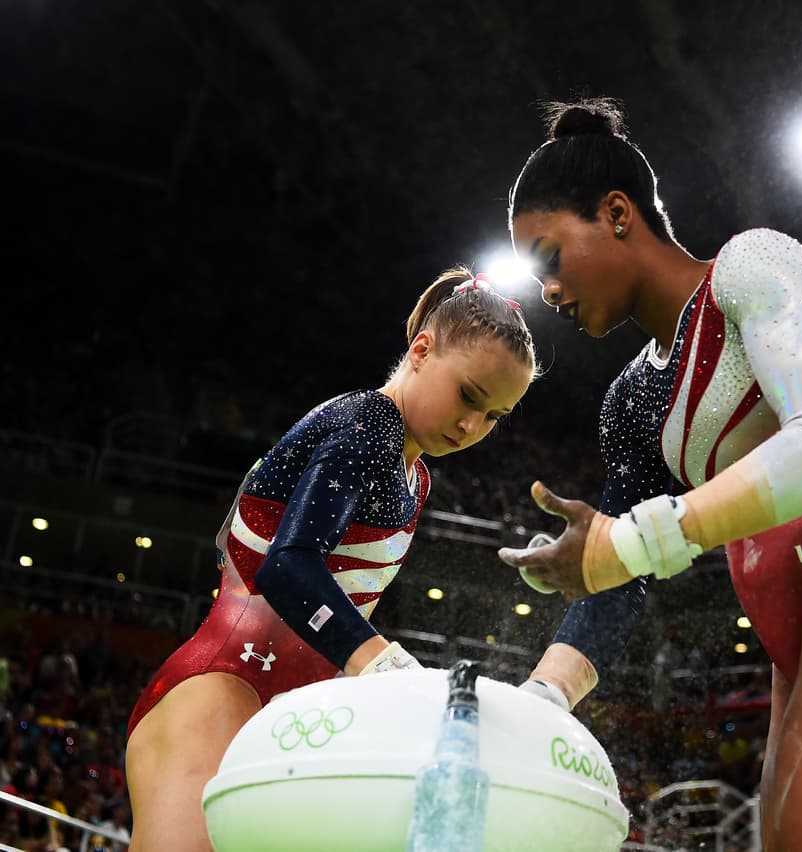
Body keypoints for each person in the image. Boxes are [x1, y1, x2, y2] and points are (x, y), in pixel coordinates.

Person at [498, 97, 802, 850]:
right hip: (799, 652)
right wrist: (543, 695)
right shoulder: (632, 399)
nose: (548, 292)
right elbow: (622, 569)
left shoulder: (752, 267)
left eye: (550, 257)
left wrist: (632, 542)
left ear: (618, 214)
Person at [124, 268, 537, 852]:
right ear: (421, 351)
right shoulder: (367, 424)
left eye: (494, 416)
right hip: (222, 689)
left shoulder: (414, 477)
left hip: (298, 721)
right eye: (469, 396)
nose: (472, 426)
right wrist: (387, 668)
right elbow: (286, 568)